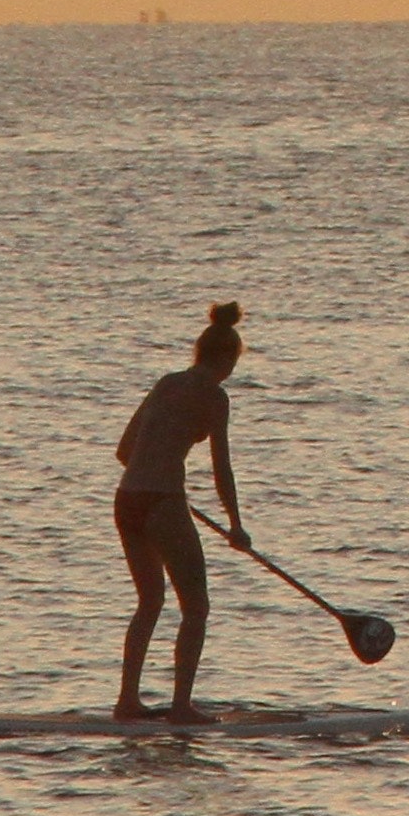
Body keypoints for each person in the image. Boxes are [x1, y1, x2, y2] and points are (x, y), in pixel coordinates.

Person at [113, 303, 247, 719]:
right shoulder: (215, 396)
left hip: (127, 498)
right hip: (161, 502)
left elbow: (124, 451)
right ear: (227, 359)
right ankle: (180, 706)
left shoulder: (167, 382)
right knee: (196, 607)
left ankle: (127, 702)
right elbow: (221, 466)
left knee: (150, 602)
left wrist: (160, 476)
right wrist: (236, 526)